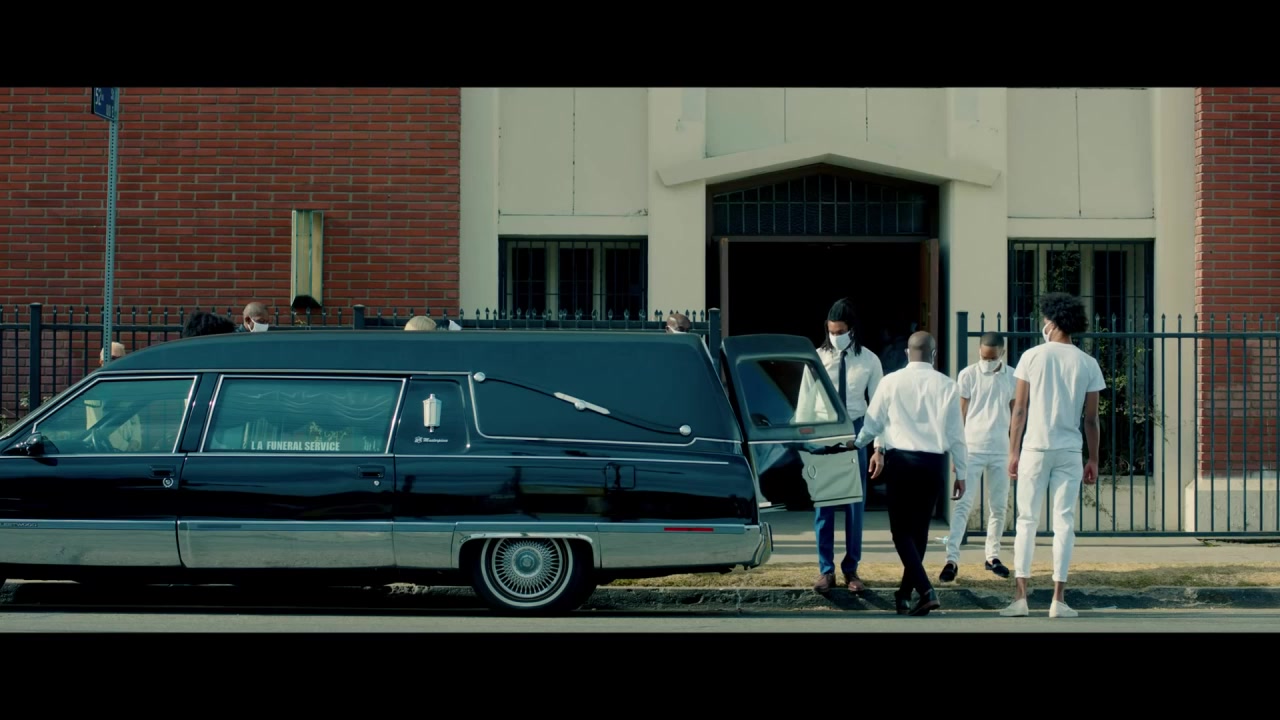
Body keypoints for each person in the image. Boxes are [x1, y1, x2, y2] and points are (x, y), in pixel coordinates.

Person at [1000, 292, 1105, 619]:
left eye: (1046, 319)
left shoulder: (1031, 356)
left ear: (1054, 321)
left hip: (1034, 447)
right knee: (1064, 523)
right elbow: (1091, 419)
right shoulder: (1087, 363)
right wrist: (1093, 459)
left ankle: (1020, 598)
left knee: (1026, 521)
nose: (1043, 324)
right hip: (1069, 449)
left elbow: (1020, 410)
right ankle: (1058, 599)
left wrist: (1013, 451)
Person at [854, 330, 967, 616]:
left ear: (907, 353)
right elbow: (957, 435)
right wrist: (962, 473)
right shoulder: (947, 385)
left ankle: (926, 590)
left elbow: (873, 422)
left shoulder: (891, 382)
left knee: (900, 532)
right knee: (919, 532)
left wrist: (855, 444)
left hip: (901, 462)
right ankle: (904, 595)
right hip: (933, 463)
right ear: (934, 355)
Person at [809, 298, 883, 595]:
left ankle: (851, 568)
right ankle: (825, 570)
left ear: (851, 329)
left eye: (840, 331)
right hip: (824, 431)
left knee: (854, 506)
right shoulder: (816, 358)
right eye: (831, 331)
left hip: (856, 430)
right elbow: (805, 400)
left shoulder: (869, 360)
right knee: (824, 505)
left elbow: (878, 408)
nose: (835, 336)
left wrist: (878, 448)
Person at [940, 331, 1015, 583]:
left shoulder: (1013, 376)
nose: (988, 362)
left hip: (1001, 449)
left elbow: (1016, 414)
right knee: (963, 504)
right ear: (979, 352)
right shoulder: (968, 374)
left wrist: (1015, 451)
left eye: (992, 358)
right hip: (972, 448)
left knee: (999, 505)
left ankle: (992, 556)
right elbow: (960, 415)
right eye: (984, 357)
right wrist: (958, 454)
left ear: (1002, 353)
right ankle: (952, 559)